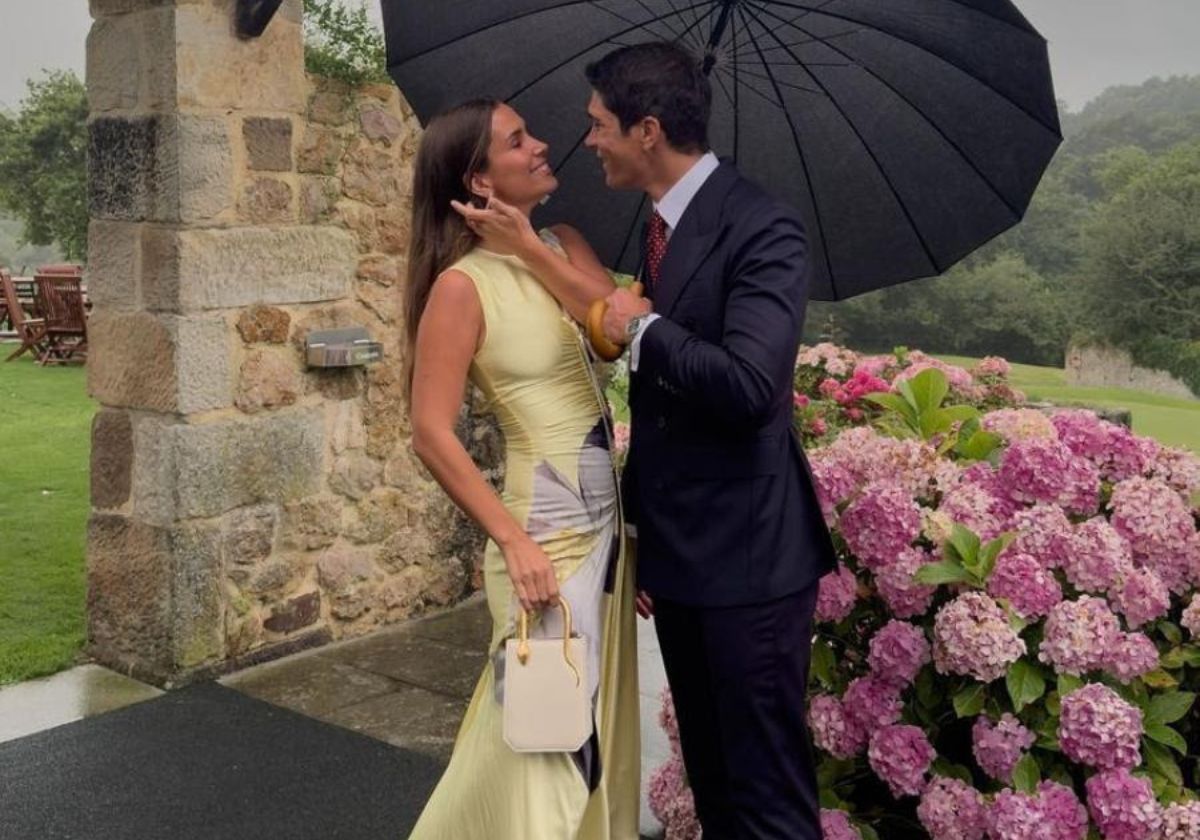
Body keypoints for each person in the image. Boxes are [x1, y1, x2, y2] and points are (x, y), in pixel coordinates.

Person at [589, 42, 837, 839]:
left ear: (648, 130)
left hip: (751, 565)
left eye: (600, 125)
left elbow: (749, 390)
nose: (590, 139)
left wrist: (645, 328)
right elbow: (668, 412)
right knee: (717, 789)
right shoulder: (659, 225)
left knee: (765, 800)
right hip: (685, 557)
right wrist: (644, 536)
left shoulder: (763, 226)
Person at [404, 99, 639, 840]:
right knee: (543, 738)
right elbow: (430, 432)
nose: (543, 145)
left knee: (589, 731)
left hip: (609, 535)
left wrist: (534, 251)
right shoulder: (461, 288)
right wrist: (512, 541)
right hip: (544, 537)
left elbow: (617, 330)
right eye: (518, 140)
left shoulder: (566, 243)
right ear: (478, 178)